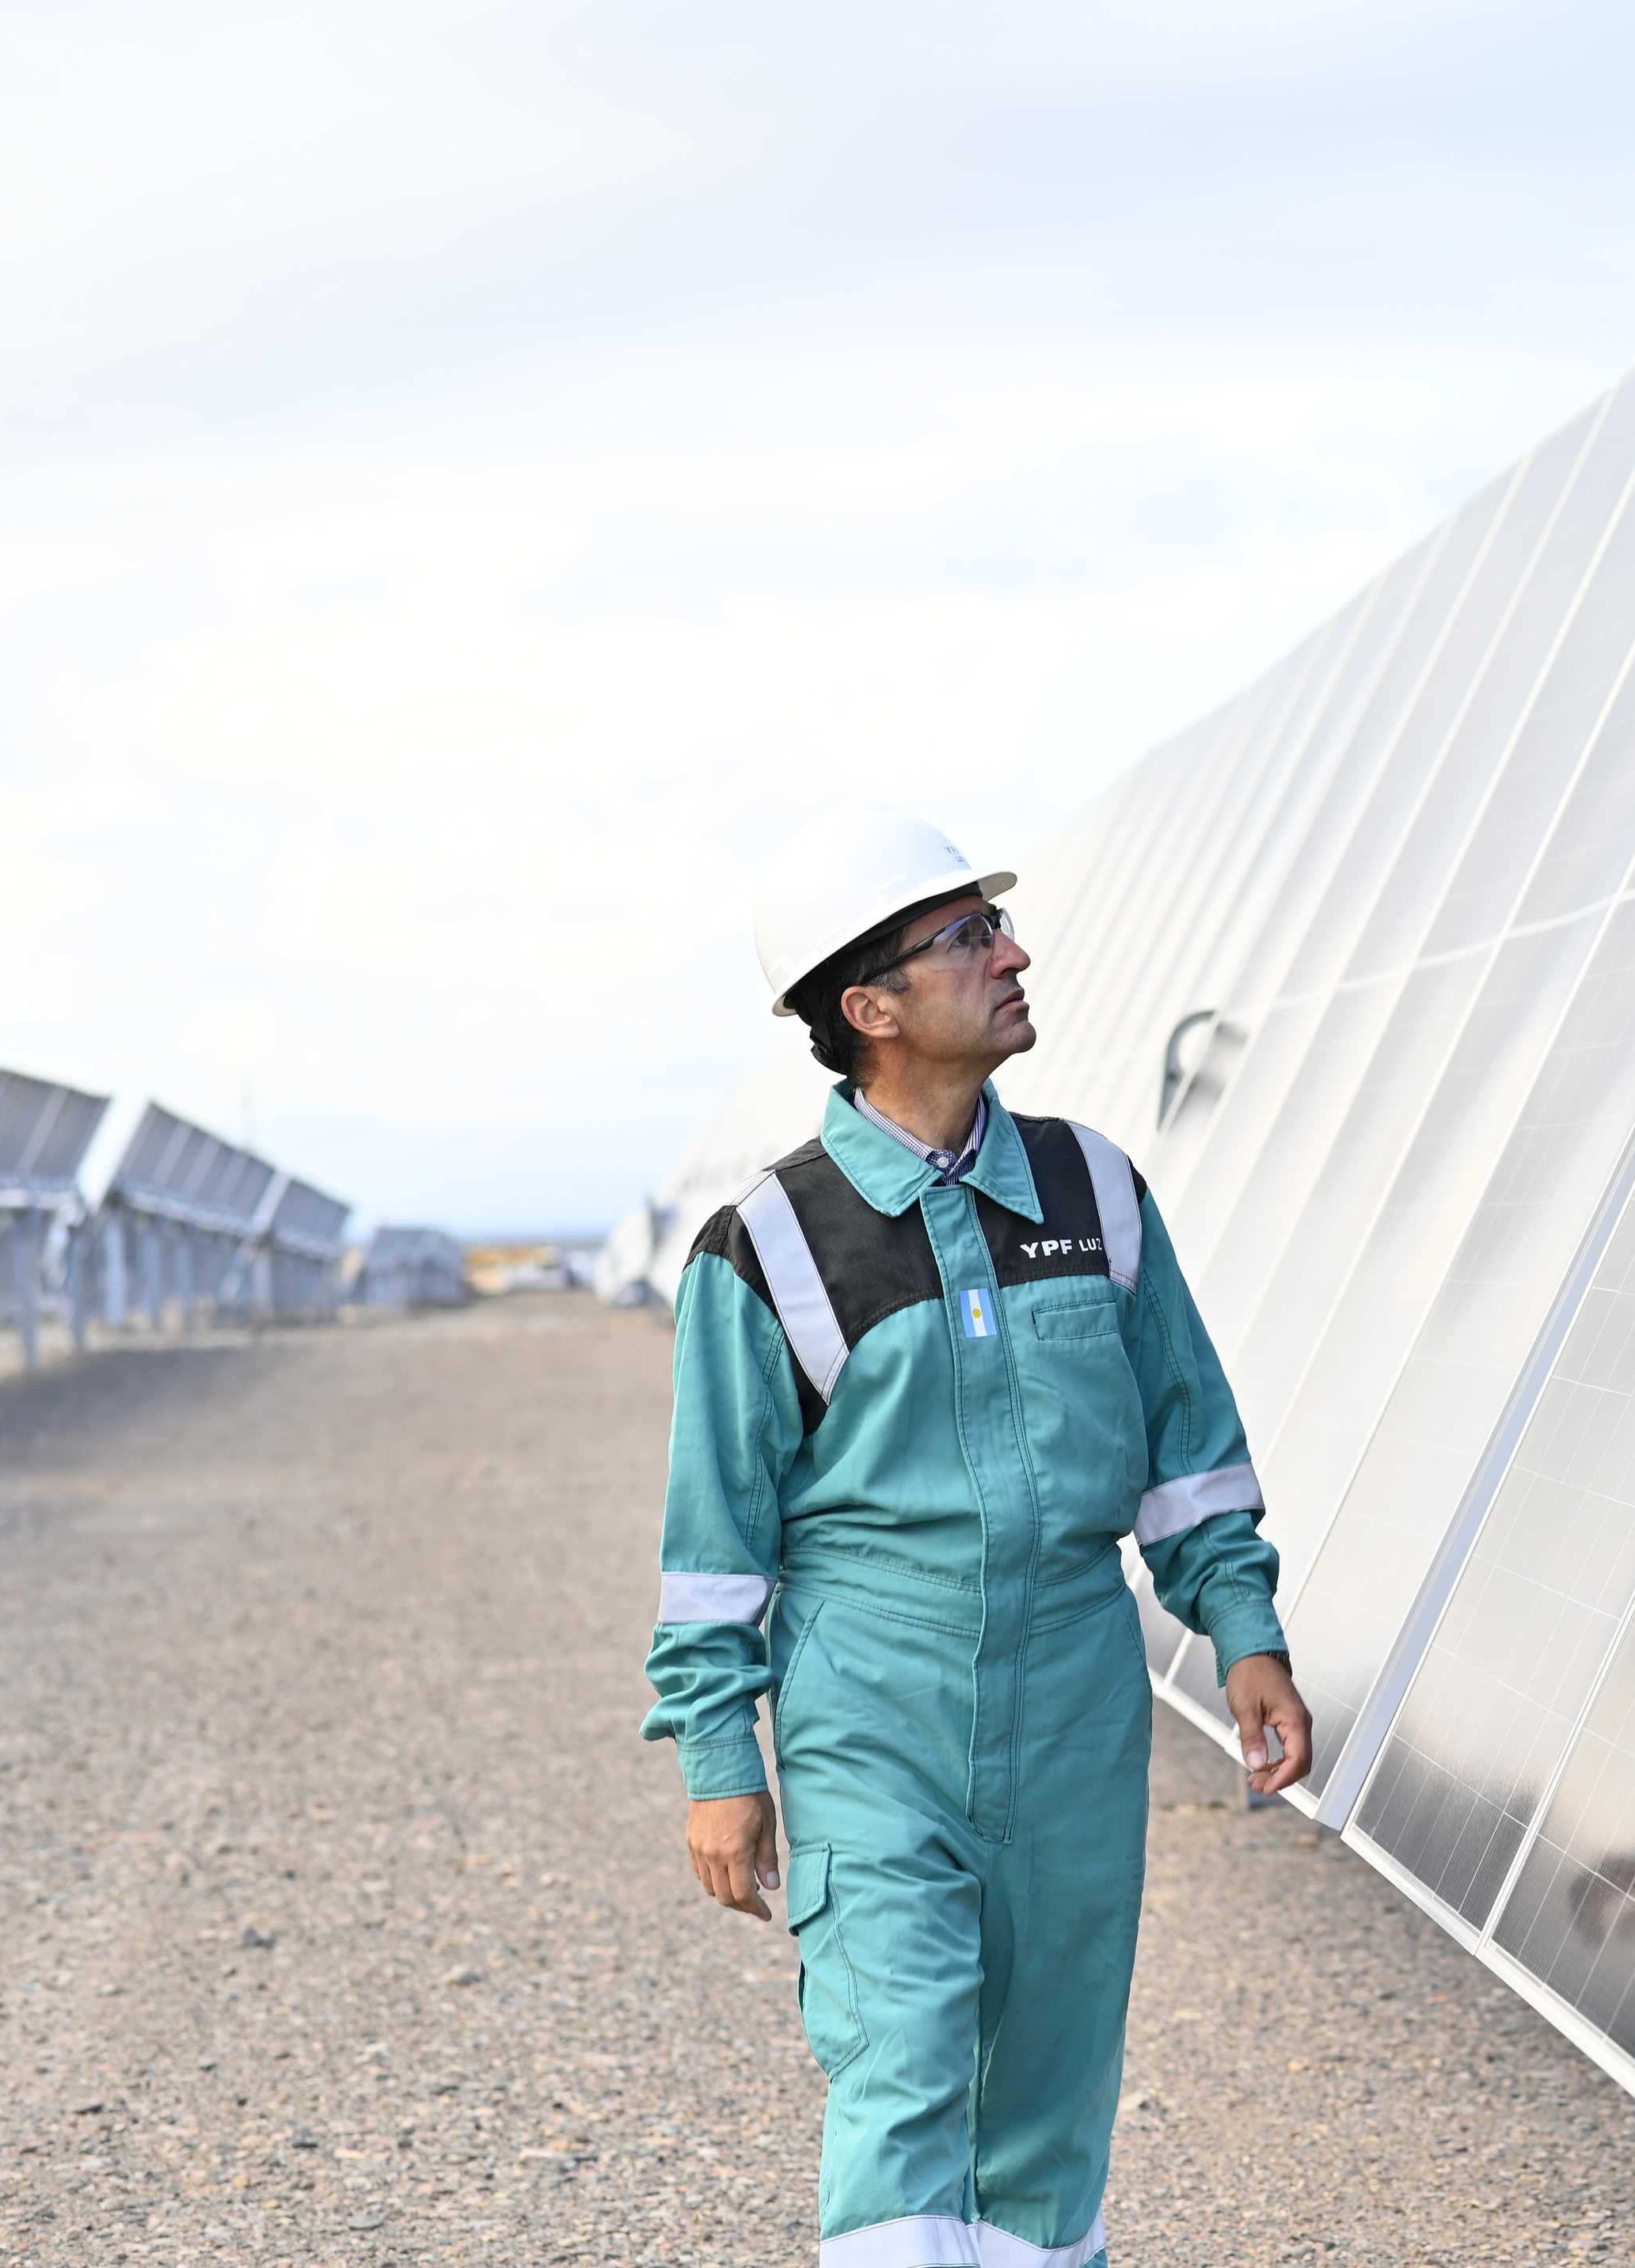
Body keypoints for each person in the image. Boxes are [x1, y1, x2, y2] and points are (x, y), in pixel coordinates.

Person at [644, 803, 1310, 2268]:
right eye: (967, 936)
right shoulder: (766, 1249)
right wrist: (717, 1762)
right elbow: (716, 1547)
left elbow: (1187, 1449)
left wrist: (1244, 1626)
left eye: (994, 924)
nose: (1013, 952)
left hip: (1077, 1694)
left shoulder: (1097, 1191)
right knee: (900, 2062)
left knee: (1048, 2098)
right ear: (869, 1007)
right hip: (871, 1697)